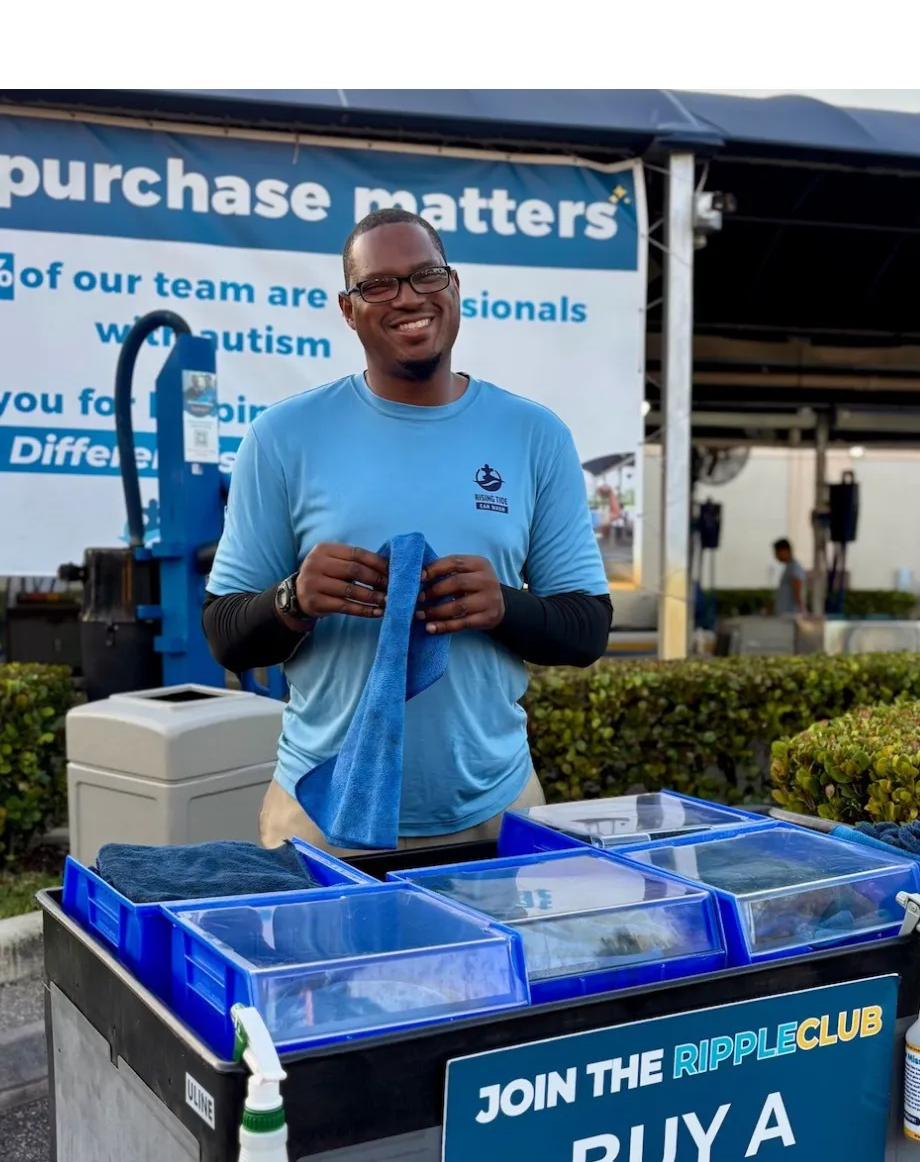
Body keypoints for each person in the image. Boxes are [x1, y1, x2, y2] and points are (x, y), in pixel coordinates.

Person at [202, 208, 613, 854]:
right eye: (379, 285)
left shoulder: (535, 436)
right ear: (347, 308)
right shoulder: (281, 439)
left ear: (454, 286)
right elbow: (224, 633)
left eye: (426, 275)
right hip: (319, 817)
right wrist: (295, 600)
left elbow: (587, 627)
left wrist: (503, 606)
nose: (409, 298)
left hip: (494, 813)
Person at [772, 537, 806, 615]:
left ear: (785, 551)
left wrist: (799, 605)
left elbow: (797, 583)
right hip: (785, 613)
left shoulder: (794, 566)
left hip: (790, 613)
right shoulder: (789, 567)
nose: (776, 556)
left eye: (777, 553)